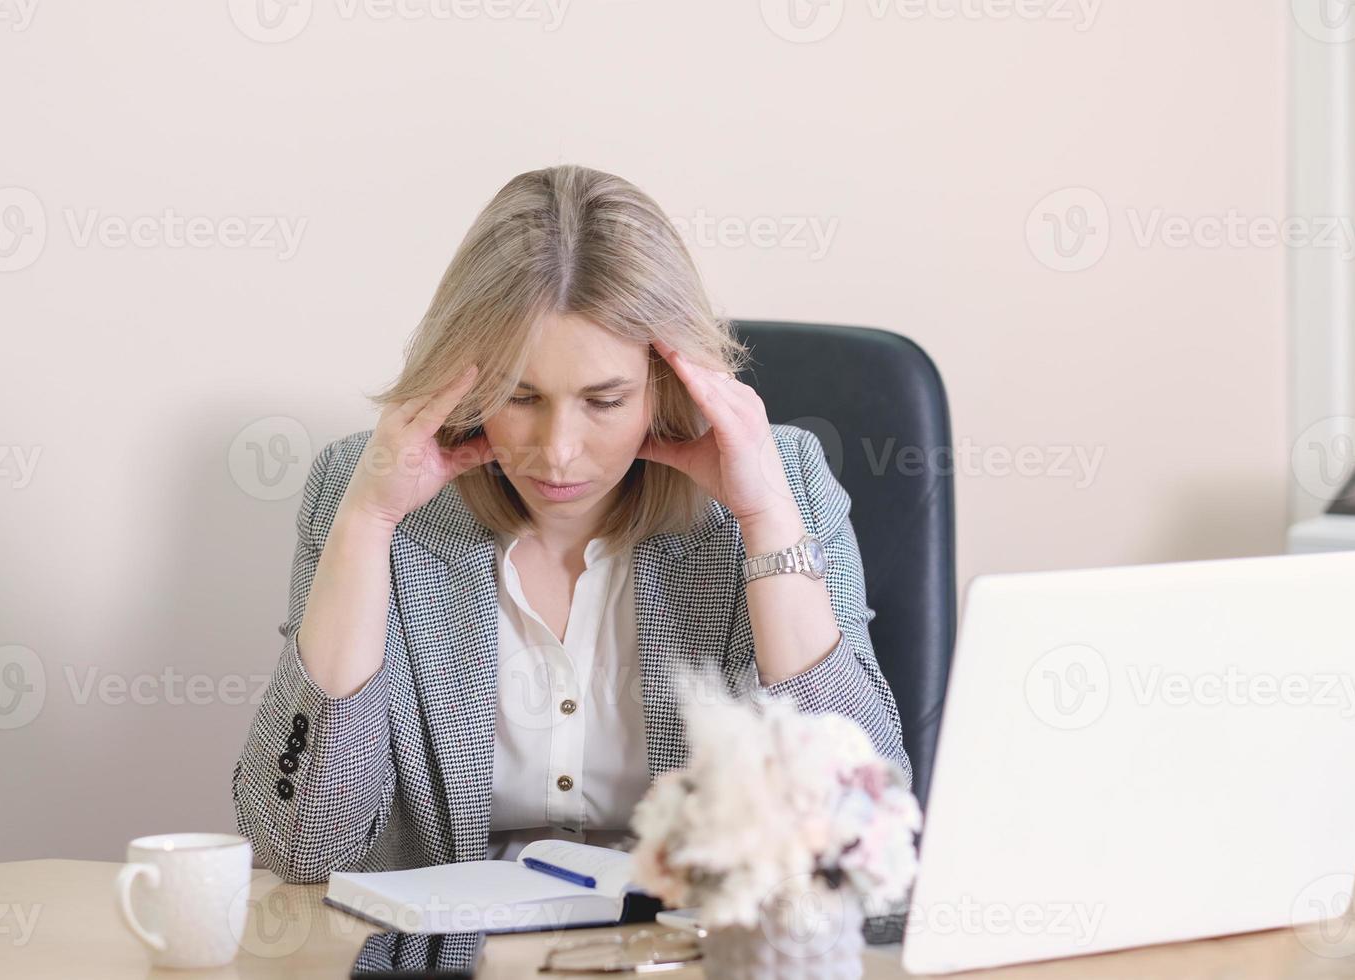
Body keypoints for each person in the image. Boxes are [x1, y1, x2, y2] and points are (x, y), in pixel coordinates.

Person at [232, 164, 911, 883]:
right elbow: (299, 850)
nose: (556, 451)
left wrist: (766, 517)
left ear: (668, 386)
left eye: (604, 400)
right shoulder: (362, 491)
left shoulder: (785, 483)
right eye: (520, 397)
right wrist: (369, 520)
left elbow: (855, 826)